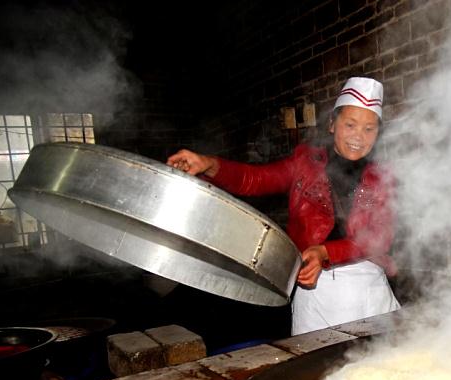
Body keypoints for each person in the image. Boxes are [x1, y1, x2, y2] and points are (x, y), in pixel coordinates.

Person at [166, 77, 400, 335]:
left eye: (369, 128)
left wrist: (326, 252)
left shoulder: (382, 177)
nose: (359, 136)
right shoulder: (304, 163)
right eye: (350, 124)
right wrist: (209, 164)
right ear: (333, 124)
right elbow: (255, 180)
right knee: (317, 371)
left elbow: (379, 239)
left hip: (369, 289)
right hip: (316, 291)